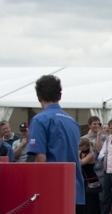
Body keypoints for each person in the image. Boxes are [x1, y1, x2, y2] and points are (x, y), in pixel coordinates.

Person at [26, 74, 85, 206]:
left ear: (38, 97)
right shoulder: (73, 123)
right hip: (73, 188)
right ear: (59, 96)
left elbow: (40, 159)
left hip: (50, 189)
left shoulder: (39, 120)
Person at [79, 137, 100, 214]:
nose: (79, 147)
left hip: (91, 180)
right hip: (83, 180)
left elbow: (81, 162)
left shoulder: (91, 154)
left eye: (80, 145)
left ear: (86, 146)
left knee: (91, 203)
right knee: (83, 203)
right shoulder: (79, 153)